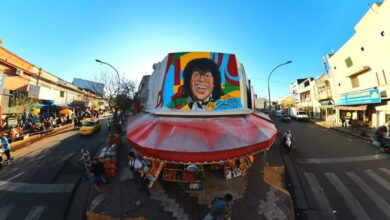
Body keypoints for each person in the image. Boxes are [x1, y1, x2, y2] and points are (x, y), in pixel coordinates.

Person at [169, 58, 241, 111]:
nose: (201, 80)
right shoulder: (180, 101)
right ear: (189, 82)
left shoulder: (229, 104)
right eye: (196, 75)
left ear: (214, 83)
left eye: (207, 75)